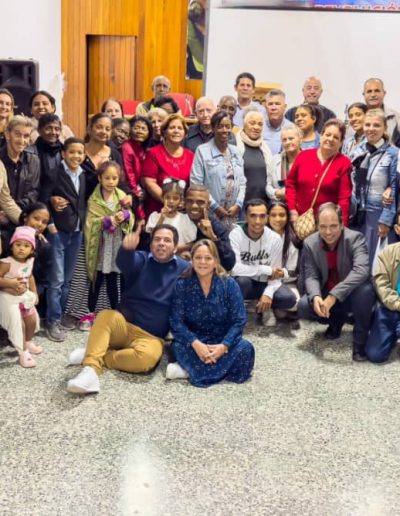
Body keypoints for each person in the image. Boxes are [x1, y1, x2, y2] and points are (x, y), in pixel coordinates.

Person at [66, 224, 191, 395]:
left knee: (147, 360)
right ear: (151, 244)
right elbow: (124, 262)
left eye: (167, 240)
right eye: (157, 239)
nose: (161, 243)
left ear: (175, 247)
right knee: (105, 316)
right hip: (124, 326)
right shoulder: (142, 259)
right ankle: (90, 370)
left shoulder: (184, 269)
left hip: (151, 337)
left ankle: (96, 353)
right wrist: (126, 249)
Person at [167, 239, 255, 386]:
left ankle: (189, 371)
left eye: (208, 258)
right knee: (177, 346)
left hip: (221, 340)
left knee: (246, 349)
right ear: (192, 261)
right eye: (198, 257)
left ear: (215, 262)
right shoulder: (182, 285)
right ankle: (217, 371)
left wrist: (224, 346)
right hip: (194, 341)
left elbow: (239, 320)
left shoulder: (229, 284)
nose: (202, 262)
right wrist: (196, 344)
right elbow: (176, 322)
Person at [297, 202, 375, 361]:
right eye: (323, 226)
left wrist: (333, 296)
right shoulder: (309, 243)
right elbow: (311, 275)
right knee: (305, 305)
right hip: (327, 290)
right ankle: (335, 322)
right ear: (317, 225)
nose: (328, 232)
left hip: (352, 292)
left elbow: (361, 270)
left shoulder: (355, 238)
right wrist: (316, 297)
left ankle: (360, 343)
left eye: (333, 226)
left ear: (341, 224)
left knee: (366, 291)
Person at [45, 137, 87, 342]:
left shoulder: (84, 174)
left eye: (80, 153)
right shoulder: (54, 173)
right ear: (63, 153)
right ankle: (52, 321)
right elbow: (43, 198)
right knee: (56, 280)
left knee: (68, 280)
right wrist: (50, 225)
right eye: (71, 152)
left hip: (77, 232)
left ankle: (60, 316)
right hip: (58, 232)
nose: (76, 156)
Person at [229, 199, 297, 326]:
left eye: (262, 216)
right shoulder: (235, 235)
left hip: (265, 282)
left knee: (289, 299)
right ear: (246, 216)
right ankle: (237, 313)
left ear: (266, 217)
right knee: (241, 282)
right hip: (247, 283)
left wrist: (268, 293)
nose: (258, 221)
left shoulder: (274, 238)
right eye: (253, 216)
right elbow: (235, 269)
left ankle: (262, 305)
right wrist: (266, 269)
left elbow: (275, 274)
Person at [84, 161, 135, 316]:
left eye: (114, 178)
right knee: (97, 279)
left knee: (113, 278)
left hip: (115, 244)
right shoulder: (94, 199)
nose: (111, 182)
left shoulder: (122, 196)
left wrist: (125, 215)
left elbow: (131, 216)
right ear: (99, 178)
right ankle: (90, 313)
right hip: (100, 245)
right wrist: (106, 221)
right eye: (107, 178)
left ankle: (115, 312)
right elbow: (90, 222)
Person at [351, 109, 398, 261]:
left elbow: (395, 187)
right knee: (359, 260)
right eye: (368, 125)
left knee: (378, 262)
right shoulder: (357, 151)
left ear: (385, 128)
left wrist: (386, 220)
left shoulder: (394, 153)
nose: (371, 129)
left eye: (376, 125)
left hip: (378, 215)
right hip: (357, 215)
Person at [286, 118, 352, 226]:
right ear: (321, 136)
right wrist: (292, 210)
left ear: (341, 143)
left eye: (336, 137)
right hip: (299, 220)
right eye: (327, 134)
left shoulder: (344, 163)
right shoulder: (303, 156)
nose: (330, 139)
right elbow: (290, 184)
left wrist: (342, 225)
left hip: (327, 225)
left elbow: (344, 199)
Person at [191, 111, 246, 229]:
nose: (224, 130)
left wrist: (238, 204)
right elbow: (196, 183)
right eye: (220, 126)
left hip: (234, 214)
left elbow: (242, 182)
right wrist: (215, 206)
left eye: (228, 126)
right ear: (213, 128)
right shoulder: (202, 151)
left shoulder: (237, 152)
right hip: (211, 213)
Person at [0, 226, 40, 368]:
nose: (21, 248)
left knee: (31, 320)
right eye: (18, 245)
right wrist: (10, 284)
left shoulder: (29, 261)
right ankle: (22, 352)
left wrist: (34, 293)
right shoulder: (7, 262)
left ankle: (28, 342)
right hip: (8, 297)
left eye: (26, 246)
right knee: (19, 324)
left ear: (32, 249)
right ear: (11, 247)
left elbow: (30, 277)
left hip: (24, 296)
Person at [0, 116, 41, 251]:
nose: (22, 140)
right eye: (17, 134)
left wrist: (28, 227)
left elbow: (6, 200)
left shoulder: (33, 160)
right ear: (7, 134)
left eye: (26, 136)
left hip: (17, 222)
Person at [142, 114, 194, 217]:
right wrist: (169, 202)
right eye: (172, 128)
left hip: (182, 211)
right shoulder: (153, 153)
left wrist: (183, 202)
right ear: (164, 132)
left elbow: (192, 184)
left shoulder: (191, 155)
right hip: (158, 210)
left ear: (185, 133)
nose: (176, 131)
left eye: (180, 128)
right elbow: (149, 182)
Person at [365, 213, 400, 363]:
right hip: (390, 308)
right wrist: (397, 304)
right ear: (397, 229)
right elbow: (381, 284)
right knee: (375, 355)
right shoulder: (387, 253)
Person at [181, 185, 236, 271]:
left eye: (200, 202)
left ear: (208, 204)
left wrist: (213, 238)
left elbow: (229, 264)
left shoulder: (216, 226)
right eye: (189, 201)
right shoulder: (176, 219)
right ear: (184, 202)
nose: (194, 206)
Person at [267, 200, 301, 320]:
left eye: (282, 215)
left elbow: (293, 272)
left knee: (295, 304)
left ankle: (274, 305)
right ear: (267, 217)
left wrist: (281, 274)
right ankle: (267, 307)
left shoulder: (291, 239)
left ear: (287, 217)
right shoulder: (260, 236)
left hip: (286, 282)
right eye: (273, 215)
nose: (278, 219)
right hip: (264, 282)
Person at [235, 110, 273, 206]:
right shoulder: (234, 145)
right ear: (244, 124)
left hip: (263, 204)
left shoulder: (265, 149)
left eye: (260, 124)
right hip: (240, 204)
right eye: (252, 123)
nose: (256, 127)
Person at [20, 202, 51, 317]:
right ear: (25, 217)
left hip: (29, 292)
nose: (39, 224)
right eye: (36, 218)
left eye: (44, 222)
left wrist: (32, 294)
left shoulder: (44, 246)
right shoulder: (8, 237)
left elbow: (44, 279)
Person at [145, 179, 197, 246]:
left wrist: (174, 249)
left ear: (180, 200)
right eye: (167, 197)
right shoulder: (154, 217)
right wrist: (161, 218)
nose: (171, 201)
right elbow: (152, 237)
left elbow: (190, 244)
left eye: (175, 198)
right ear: (162, 198)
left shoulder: (185, 219)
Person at [28, 113, 63, 198]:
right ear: (39, 130)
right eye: (48, 128)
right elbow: (30, 184)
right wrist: (49, 198)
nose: (53, 132)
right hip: (38, 199)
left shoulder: (64, 151)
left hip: (62, 198)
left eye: (57, 129)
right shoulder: (30, 153)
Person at [121, 115, 152, 203]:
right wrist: (136, 192)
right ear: (130, 129)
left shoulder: (142, 149)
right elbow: (128, 173)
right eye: (136, 128)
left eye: (143, 129)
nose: (139, 131)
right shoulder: (126, 147)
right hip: (129, 192)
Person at [266, 125, 303, 202]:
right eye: (284, 140)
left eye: (291, 138)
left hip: (302, 204)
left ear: (300, 139)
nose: (287, 142)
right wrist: (277, 193)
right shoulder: (275, 159)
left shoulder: (309, 159)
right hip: (279, 204)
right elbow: (267, 185)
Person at [263, 89, 295, 155]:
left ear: (285, 107)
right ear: (266, 108)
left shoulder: (292, 128)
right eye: (270, 104)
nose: (273, 108)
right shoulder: (259, 127)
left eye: (277, 104)